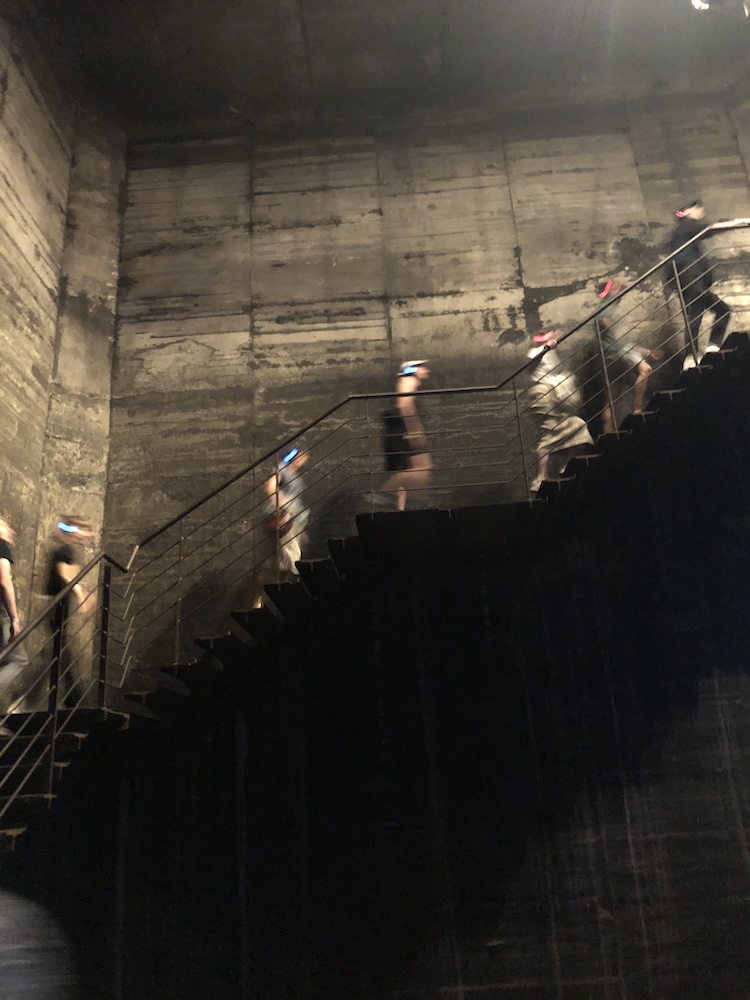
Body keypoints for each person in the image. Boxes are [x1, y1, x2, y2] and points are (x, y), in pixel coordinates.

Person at [665, 201, 749, 369]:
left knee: (697, 316)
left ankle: (693, 355)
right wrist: (740, 222)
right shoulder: (686, 226)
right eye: (697, 209)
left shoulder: (683, 232)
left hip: (692, 280)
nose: (701, 212)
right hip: (692, 279)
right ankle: (706, 349)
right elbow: (711, 228)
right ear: (687, 211)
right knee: (720, 310)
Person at [526, 332, 594, 493]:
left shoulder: (549, 352)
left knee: (577, 425)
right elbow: (531, 369)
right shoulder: (535, 352)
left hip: (553, 395)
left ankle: (566, 466)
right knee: (548, 435)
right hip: (542, 396)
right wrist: (545, 348)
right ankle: (539, 478)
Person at [595, 278, 663, 434]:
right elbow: (605, 322)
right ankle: (637, 410)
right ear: (611, 290)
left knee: (612, 397)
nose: (622, 293)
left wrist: (648, 352)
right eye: (619, 289)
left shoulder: (608, 307)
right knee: (646, 370)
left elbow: (627, 343)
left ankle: (608, 433)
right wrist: (621, 328)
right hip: (619, 351)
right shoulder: (606, 306)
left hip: (611, 355)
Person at [44, 518, 97, 707]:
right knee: (62, 653)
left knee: (61, 653)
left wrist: (83, 591)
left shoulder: (69, 550)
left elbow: (71, 576)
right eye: (84, 531)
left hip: (61, 607)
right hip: (56, 607)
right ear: (75, 530)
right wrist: (80, 595)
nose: (86, 536)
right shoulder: (65, 549)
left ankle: (72, 699)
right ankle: (74, 699)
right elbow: (63, 574)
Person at [252, 449, 310, 607]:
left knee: (286, 564)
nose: (303, 460)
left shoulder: (294, 475)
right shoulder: (283, 468)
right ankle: (259, 601)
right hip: (282, 518)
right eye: (301, 456)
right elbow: (270, 486)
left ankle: (278, 601)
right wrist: (282, 506)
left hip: (292, 521)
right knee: (276, 562)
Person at [382, 361, 433, 511]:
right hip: (401, 430)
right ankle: (384, 494)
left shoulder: (408, 382)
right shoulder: (409, 381)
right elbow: (405, 405)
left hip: (398, 430)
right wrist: (414, 431)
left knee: (408, 468)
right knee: (423, 467)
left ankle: (402, 508)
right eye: (422, 367)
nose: (426, 371)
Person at [0, 516, 30, 732]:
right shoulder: (1, 546)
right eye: (4, 525)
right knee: (19, 659)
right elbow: (4, 581)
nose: (9, 530)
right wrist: (14, 618)